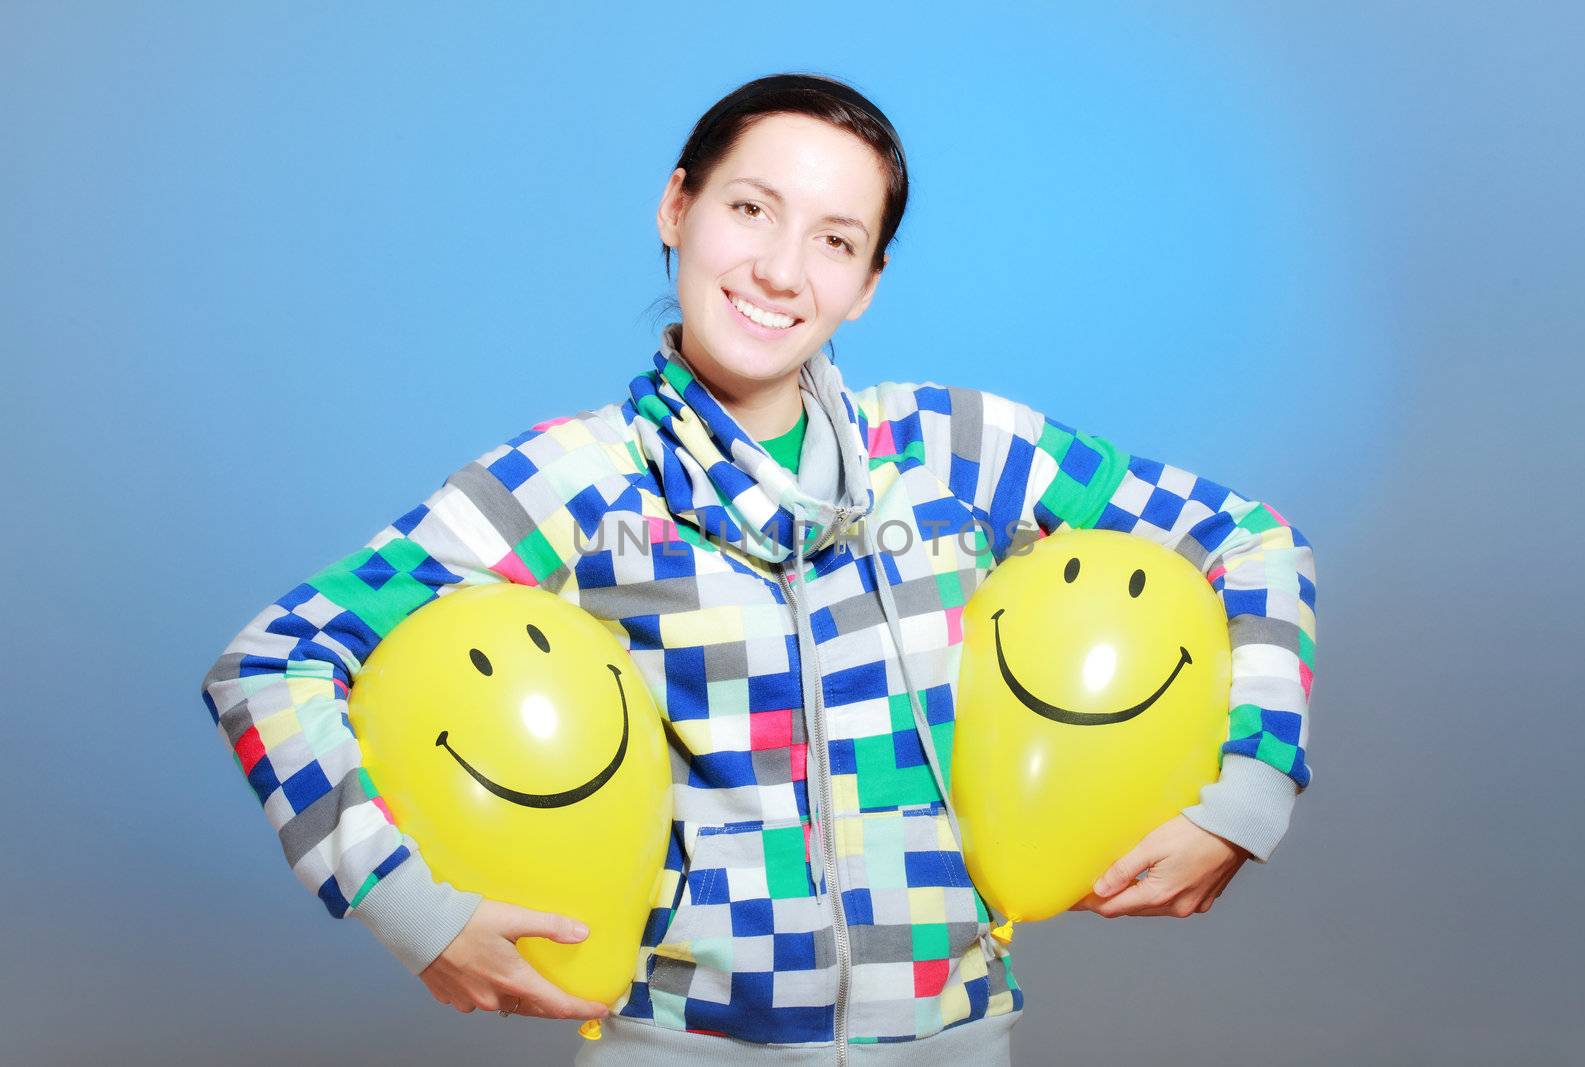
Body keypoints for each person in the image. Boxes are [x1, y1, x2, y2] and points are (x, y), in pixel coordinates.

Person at [199, 73, 1316, 1065]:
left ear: (868, 282)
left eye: (835, 239)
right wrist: (407, 903)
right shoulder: (575, 479)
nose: (781, 270)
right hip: (674, 1041)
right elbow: (275, 660)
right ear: (675, 207)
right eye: (750, 209)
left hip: (955, 1035)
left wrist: (1246, 791)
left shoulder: (958, 450)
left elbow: (1247, 538)